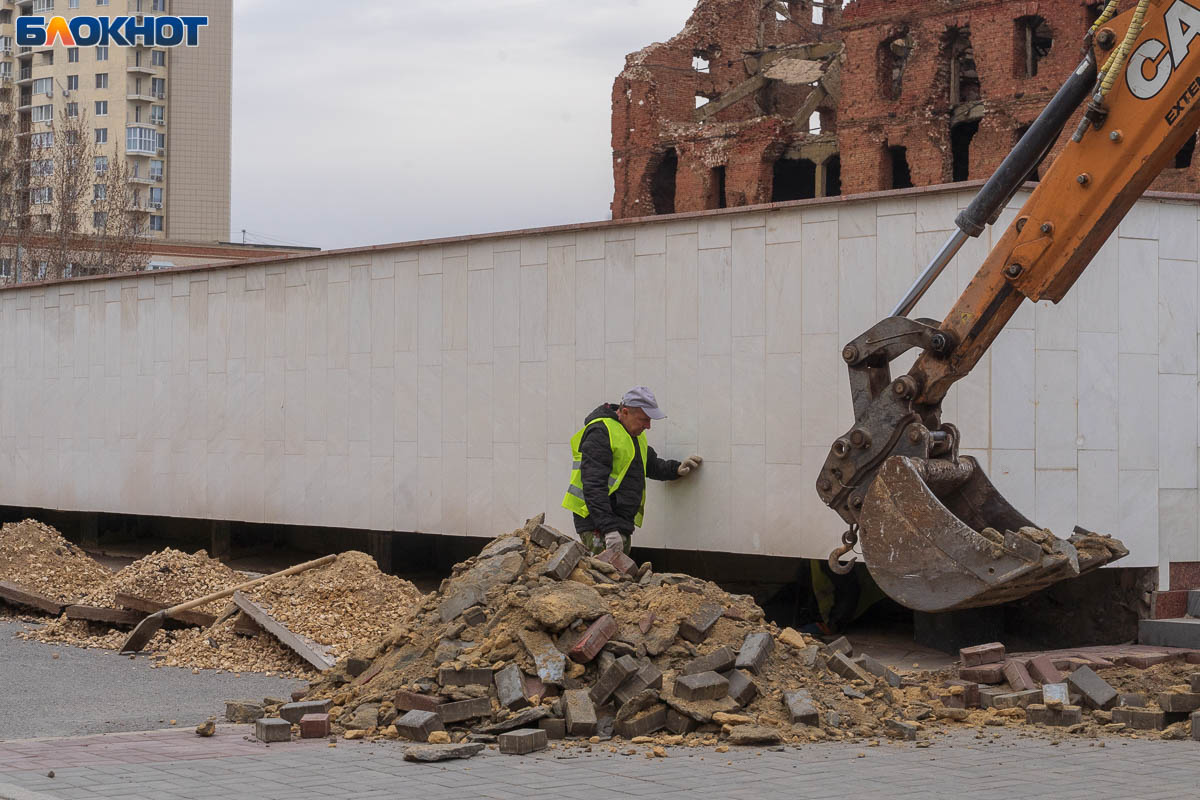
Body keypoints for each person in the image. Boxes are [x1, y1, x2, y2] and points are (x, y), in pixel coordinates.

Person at [562, 386, 702, 556]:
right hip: (597, 523)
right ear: (625, 412)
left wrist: (676, 469)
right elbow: (593, 484)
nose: (648, 426)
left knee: (617, 576)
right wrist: (608, 529)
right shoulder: (600, 432)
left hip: (618, 522)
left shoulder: (633, 433)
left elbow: (649, 464)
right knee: (607, 577)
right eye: (644, 419)